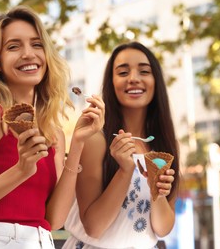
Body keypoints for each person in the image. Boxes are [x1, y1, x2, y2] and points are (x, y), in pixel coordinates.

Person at [0, 5, 104, 249]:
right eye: (14, 47)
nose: (28, 54)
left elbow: (54, 220)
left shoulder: (53, 132)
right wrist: (20, 171)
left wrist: (78, 143)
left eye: (37, 45)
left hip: (40, 241)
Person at [63, 42, 179, 249]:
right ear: (111, 82)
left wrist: (157, 193)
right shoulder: (95, 140)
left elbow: (163, 229)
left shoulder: (164, 147)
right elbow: (94, 227)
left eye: (144, 71)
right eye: (123, 72)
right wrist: (125, 171)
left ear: (156, 81)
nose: (134, 78)